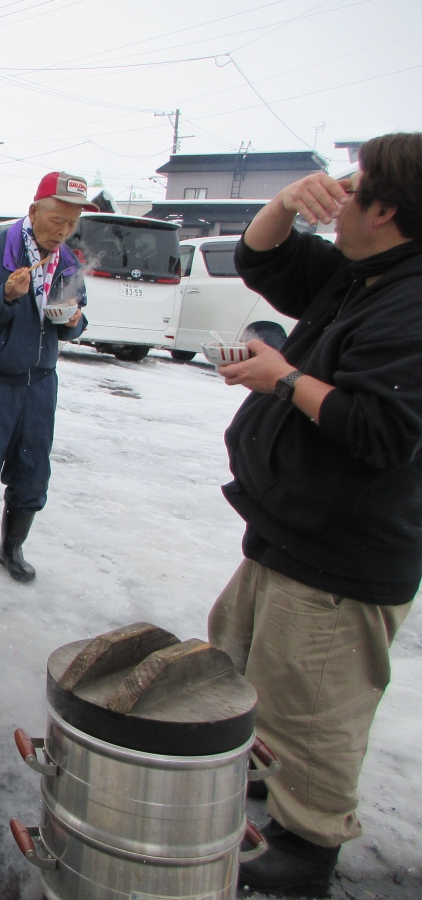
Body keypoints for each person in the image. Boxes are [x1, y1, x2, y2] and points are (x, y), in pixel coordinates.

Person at [207, 133, 422, 893]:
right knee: (243, 665)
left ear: (387, 208)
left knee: (314, 708)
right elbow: (263, 262)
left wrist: (283, 379)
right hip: (287, 530)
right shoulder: (365, 274)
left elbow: (382, 429)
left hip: (344, 556)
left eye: (354, 187)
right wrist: (283, 203)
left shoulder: (411, 298)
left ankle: (307, 845)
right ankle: (270, 782)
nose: (341, 195)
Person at [0, 172, 93, 588]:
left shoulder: (67, 261)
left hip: (40, 382)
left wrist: (76, 321)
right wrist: (6, 297)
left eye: (72, 223)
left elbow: (71, 323)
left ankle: (12, 549)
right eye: (56, 220)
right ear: (33, 212)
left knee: (32, 471)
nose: (63, 231)